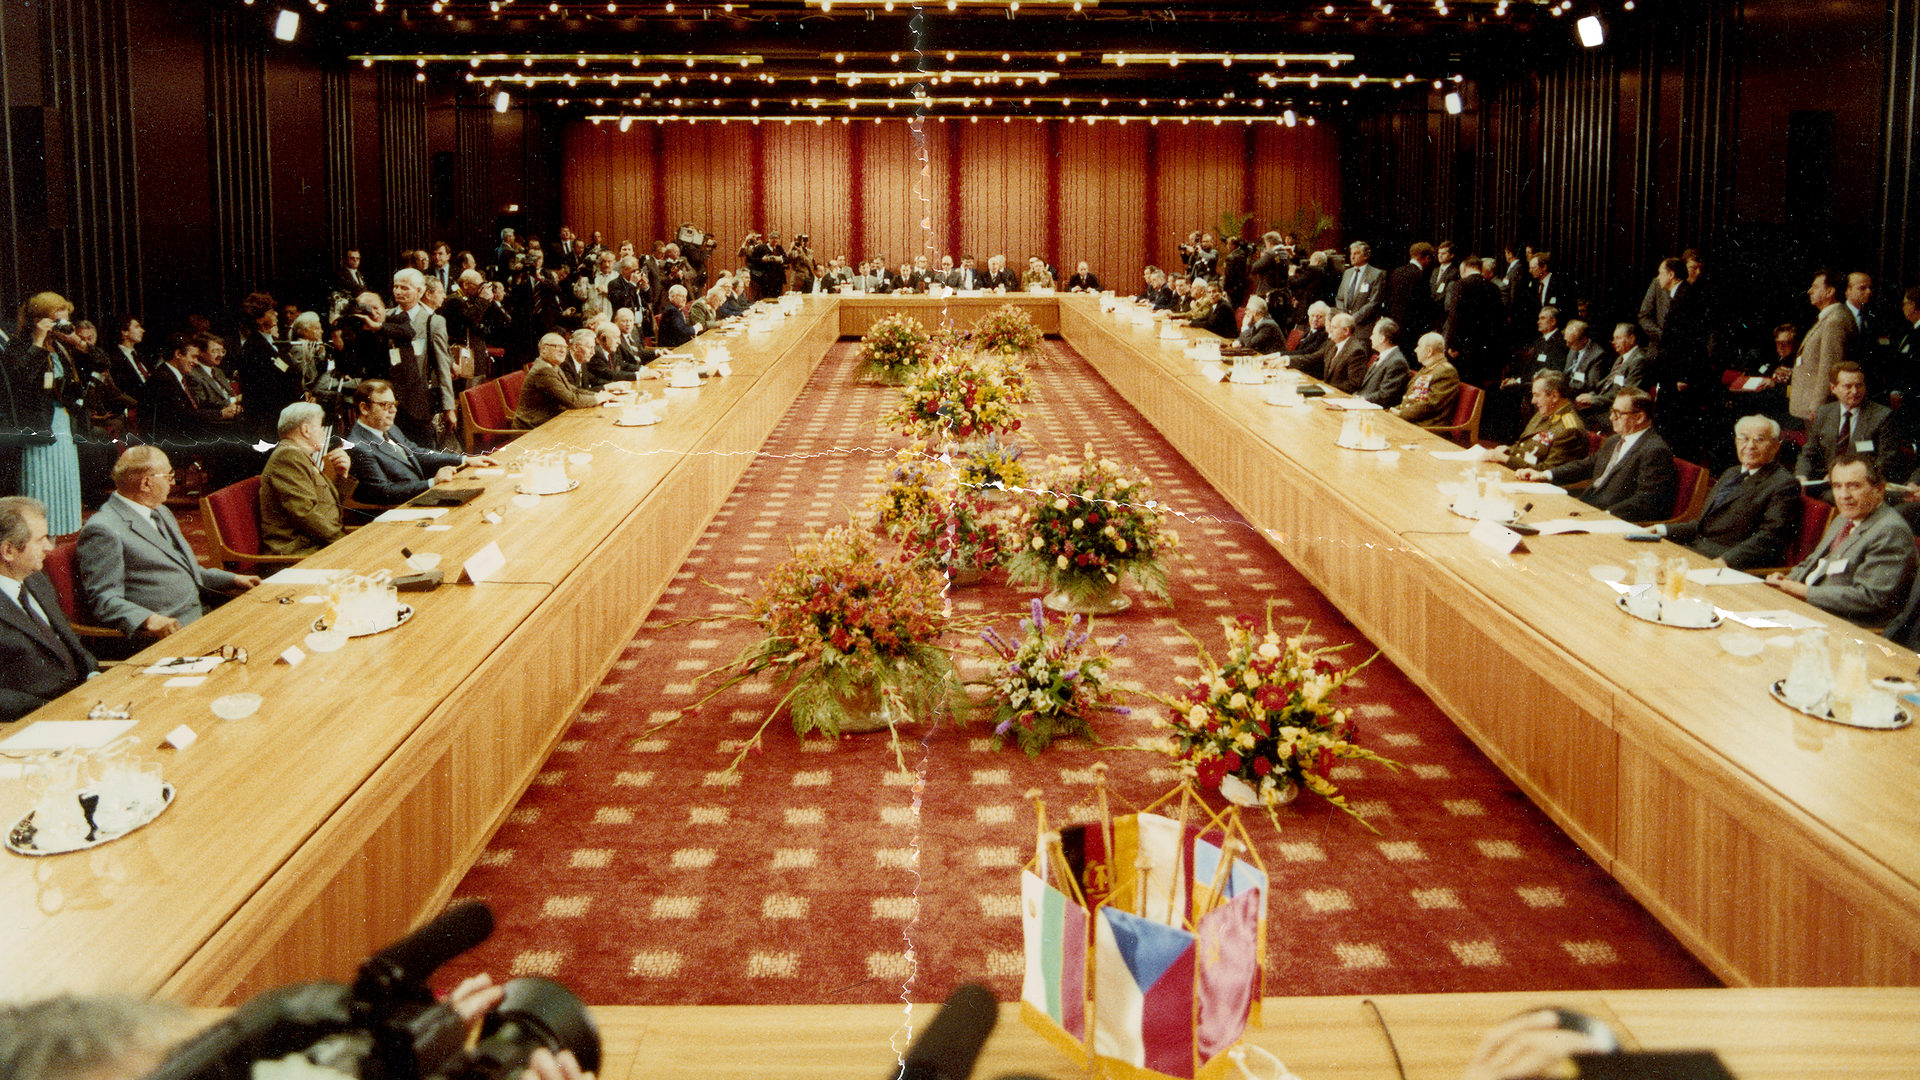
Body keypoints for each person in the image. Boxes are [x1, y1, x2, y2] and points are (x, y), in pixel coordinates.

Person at [77, 446, 259, 649]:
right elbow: (104, 600)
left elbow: (183, 568)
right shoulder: (104, 529)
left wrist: (233, 579)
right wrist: (149, 619)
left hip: (201, 615)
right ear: (146, 483)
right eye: (169, 476)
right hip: (166, 636)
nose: (173, 483)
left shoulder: (160, 511)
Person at [1768, 451, 1916, 626]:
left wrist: (1801, 590)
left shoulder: (1890, 530)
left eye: (1854, 486)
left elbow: (1870, 598)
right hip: (1805, 609)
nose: (1844, 495)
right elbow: (1814, 562)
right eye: (1837, 486)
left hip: (1844, 625)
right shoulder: (1844, 518)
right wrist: (1786, 580)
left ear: (1879, 490)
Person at [1656, 415, 1801, 569]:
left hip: (1728, 562)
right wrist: (1659, 529)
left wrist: (1724, 561)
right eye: (1744, 439)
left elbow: (1770, 538)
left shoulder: (1784, 484)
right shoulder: (1732, 473)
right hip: (1697, 550)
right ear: (1736, 442)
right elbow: (1704, 525)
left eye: (1759, 440)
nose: (1750, 446)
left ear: (1775, 446)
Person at [0, 496, 98, 721]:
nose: (50, 547)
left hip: (84, 700)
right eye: (41, 539)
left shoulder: (36, 579)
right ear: (8, 551)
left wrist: (93, 675)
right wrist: (54, 708)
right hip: (33, 719)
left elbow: (69, 641)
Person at [1518, 389, 1676, 524]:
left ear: (1639, 417)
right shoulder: (1615, 439)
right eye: (1612, 411)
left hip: (1610, 518)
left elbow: (1646, 500)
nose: (1611, 418)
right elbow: (1587, 465)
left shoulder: (1654, 450)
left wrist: (1603, 515)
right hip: (1588, 505)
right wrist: (1545, 475)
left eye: (1618, 413)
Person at [4, 293, 91, 536]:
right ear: (37, 320)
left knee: (62, 487)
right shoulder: (19, 346)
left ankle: (52, 550)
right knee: (42, 487)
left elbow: (101, 363)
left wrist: (78, 342)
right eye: (56, 320)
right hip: (39, 426)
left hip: (63, 424)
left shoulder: (61, 346)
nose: (60, 326)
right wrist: (39, 340)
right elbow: (21, 379)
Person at [345, 379, 496, 506]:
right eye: (385, 405)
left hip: (418, 497)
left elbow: (418, 453)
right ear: (364, 408)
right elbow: (384, 492)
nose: (393, 411)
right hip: (400, 509)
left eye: (394, 405)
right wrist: (432, 482)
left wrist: (465, 459)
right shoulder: (359, 446)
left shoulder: (390, 429)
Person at [259, 402, 357, 556]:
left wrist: (341, 475)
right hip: (300, 552)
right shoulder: (288, 456)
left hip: (316, 545)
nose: (324, 433)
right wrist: (344, 541)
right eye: (320, 427)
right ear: (306, 430)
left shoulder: (298, 455)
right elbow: (305, 514)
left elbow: (325, 508)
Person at [1796, 361, 1896, 488]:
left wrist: (1845, 478)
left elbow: (1886, 461)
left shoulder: (1882, 416)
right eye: (1848, 386)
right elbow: (1809, 452)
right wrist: (1801, 476)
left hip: (1864, 484)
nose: (1854, 391)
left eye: (1859, 385)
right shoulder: (1824, 412)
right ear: (1833, 388)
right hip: (1828, 483)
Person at [1788, 268, 1853, 421]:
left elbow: (1830, 368)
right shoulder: (1830, 317)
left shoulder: (1834, 320)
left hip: (1819, 409)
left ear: (1830, 291)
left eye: (1815, 287)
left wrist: (1818, 406)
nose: (1809, 291)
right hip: (1814, 407)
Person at [513, 333, 610, 429]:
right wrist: (598, 399)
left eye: (564, 346)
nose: (563, 350)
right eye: (557, 346)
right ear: (543, 349)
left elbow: (573, 390)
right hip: (532, 429)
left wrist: (599, 395)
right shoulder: (543, 370)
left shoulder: (553, 366)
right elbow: (571, 400)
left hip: (548, 422)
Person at [1498, 371, 1589, 473]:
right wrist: (1508, 450)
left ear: (1554, 396)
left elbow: (1548, 471)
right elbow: (1524, 445)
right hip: (1520, 472)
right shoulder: (1545, 411)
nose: (1533, 401)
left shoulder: (1570, 429)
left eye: (1537, 395)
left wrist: (1505, 459)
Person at [1390, 331, 1461, 428]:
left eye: (1418, 346)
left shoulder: (1446, 371)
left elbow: (1431, 405)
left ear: (1429, 351)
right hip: (1413, 420)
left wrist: (1401, 413)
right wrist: (1395, 410)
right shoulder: (1428, 368)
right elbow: (1412, 397)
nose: (1415, 350)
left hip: (1426, 427)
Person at [1357, 317, 1411, 406]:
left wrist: (1362, 398)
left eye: (1373, 334)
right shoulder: (1382, 356)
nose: (1370, 337)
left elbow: (1385, 395)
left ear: (1382, 338)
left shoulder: (1397, 362)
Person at [1322, 312, 1369, 393]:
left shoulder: (1356, 351)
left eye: (1334, 327)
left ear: (1346, 331)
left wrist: (1327, 389)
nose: (1330, 330)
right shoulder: (1333, 345)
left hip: (1339, 396)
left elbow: (1353, 383)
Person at [657, 284, 699, 349]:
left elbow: (682, 328)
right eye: (681, 296)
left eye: (685, 296)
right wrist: (695, 328)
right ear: (672, 297)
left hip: (679, 346)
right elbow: (682, 331)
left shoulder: (676, 309)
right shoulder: (672, 311)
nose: (684, 299)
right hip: (672, 349)